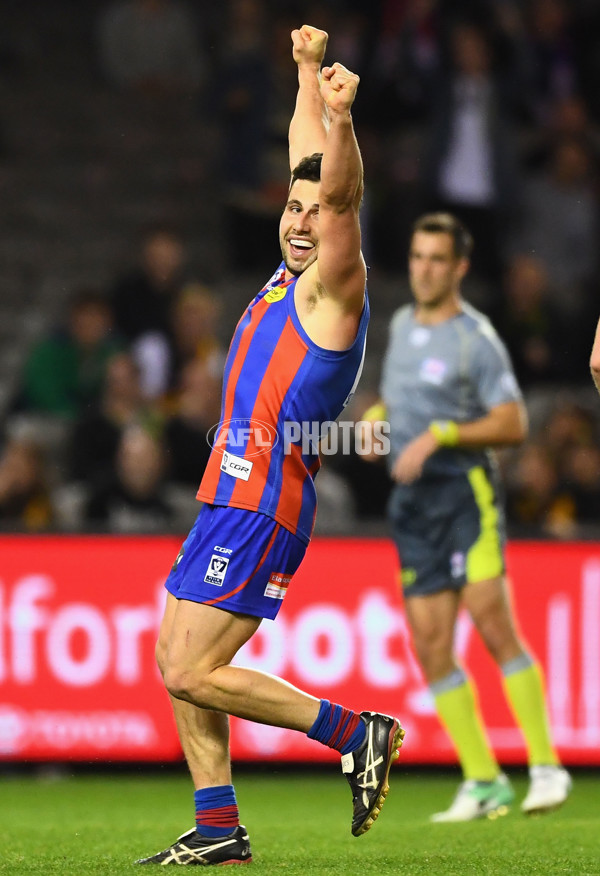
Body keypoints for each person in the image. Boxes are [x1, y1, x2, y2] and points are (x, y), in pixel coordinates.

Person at [136, 25, 404, 867]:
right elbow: (307, 164)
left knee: (188, 670)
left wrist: (344, 122)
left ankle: (356, 731)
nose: (300, 217)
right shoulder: (291, 269)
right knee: (173, 652)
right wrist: (300, 77)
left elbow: (340, 194)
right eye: (291, 205)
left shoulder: (332, 286)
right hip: (230, 491)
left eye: (312, 213)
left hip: (264, 503)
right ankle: (218, 826)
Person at [361, 212, 570, 822]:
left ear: (459, 268)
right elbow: (398, 402)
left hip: (464, 496)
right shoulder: (400, 323)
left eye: (436, 259)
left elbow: (513, 422)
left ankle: (547, 766)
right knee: (429, 646)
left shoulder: (474, 338)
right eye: (417, 256)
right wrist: (378, 421)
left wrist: (443, 434)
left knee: (491, 622)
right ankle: (483, 781)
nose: (424, 268)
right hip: (413, 507)